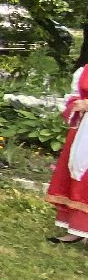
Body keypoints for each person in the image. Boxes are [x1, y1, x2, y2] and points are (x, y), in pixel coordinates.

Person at [45, 65, 88, 245]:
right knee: (80, 176)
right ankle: (80, 229)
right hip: (84, 130)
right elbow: (73, 97)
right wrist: (77, 104)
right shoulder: (84, 71)